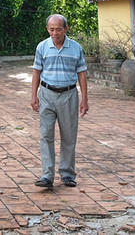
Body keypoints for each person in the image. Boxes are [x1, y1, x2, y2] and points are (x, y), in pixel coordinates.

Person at [31, 14, 88, 189]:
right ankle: (47, 175)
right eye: (51, 29)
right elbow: (36, 72)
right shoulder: (42, 46)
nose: (54, 33)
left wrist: (84, 98)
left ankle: (67, 174)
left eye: (58, 29)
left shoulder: (76, 48)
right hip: (47, 94)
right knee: (46, 135)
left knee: (69, 136)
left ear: (66, 29)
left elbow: (82, 74)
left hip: (69, 95)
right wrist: (33, 95)